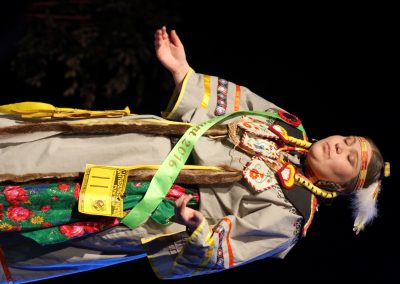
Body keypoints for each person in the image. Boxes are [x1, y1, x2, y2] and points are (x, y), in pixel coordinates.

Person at [0, 26, 388, 283]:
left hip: (143, 203)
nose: (340, 145)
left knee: (41, 208)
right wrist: (182, 72)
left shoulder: (290, 218)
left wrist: (196, 226)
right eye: (348, 139)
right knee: (42, 152)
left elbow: (222, 252)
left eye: (349, 159)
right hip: (136, 145)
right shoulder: (286, 125)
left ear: (338, 185)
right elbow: (226, 106)